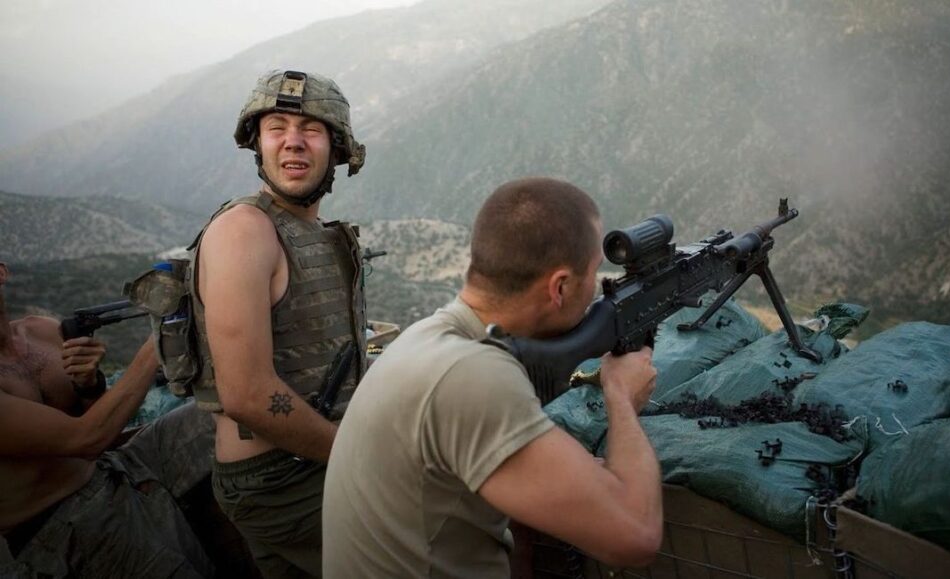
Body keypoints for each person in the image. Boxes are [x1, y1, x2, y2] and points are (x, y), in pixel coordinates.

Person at [323, 178, 663, 578]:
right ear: (559, 287)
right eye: (594, 276)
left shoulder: (430, 336)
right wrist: (621, 395)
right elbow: (636, 536)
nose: (596, 292)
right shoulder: (472, 377)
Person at [192, 69, 368, 578]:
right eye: (277, 128)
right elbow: (247, 395)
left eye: (311, 129)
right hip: (281, 479)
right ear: (258, 144)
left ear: (337, 149)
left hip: (305, 462)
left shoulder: (309, 232)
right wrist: (360, 455)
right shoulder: (245, 231)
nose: (293, 141)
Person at [0, 261, 215, 578]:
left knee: (220, 415)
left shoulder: (42, 331)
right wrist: (158, 341)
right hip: (62, 524)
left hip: (114, 466)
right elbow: (86, 438)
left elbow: (100, 427)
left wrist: (90, 385)